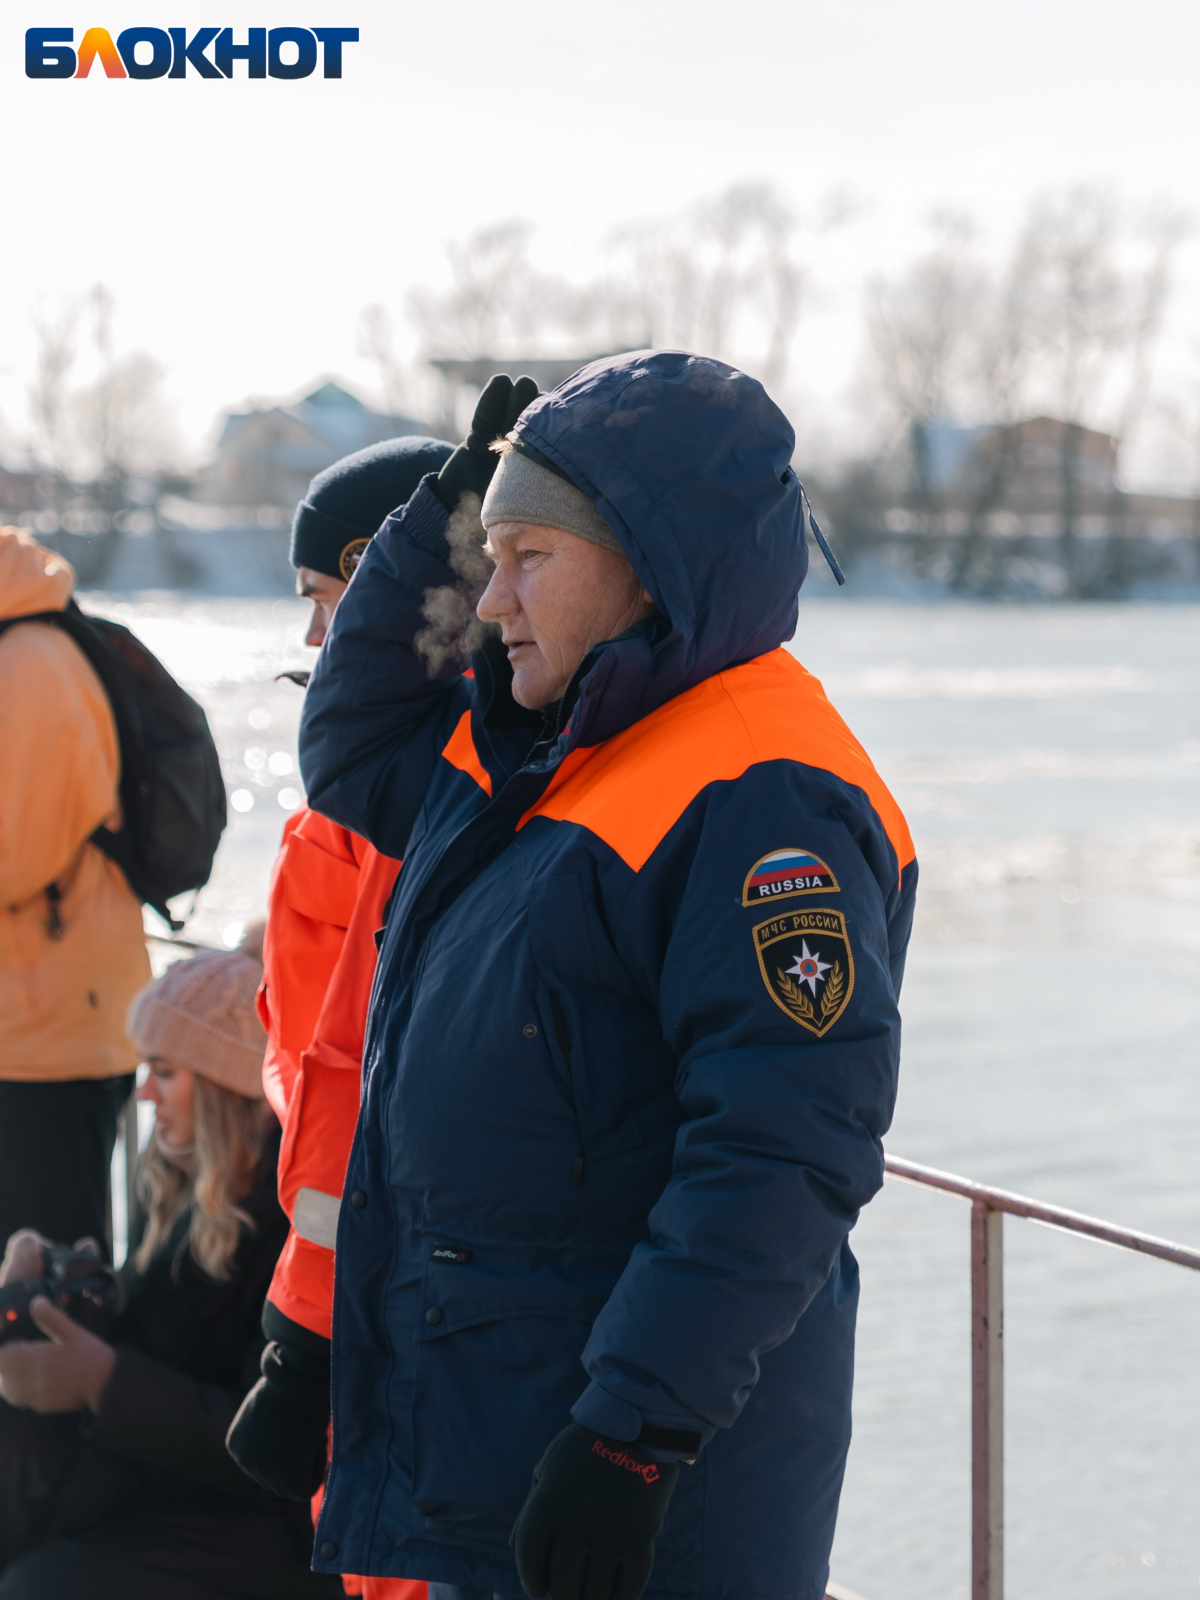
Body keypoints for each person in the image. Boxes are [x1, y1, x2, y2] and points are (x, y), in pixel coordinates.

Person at [298, 353, 917, 1600]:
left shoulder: (761, 793)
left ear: (649, 561)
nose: (491, 598)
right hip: (500, 1434)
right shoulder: (543, 747)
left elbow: (781, 1148)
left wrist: (635, 1431)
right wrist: (450, 513)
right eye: (490, 555)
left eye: (530, 557)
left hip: (638, 1489)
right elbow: (354, 746)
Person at [224, 438, 451, 1600]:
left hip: (396, 1298)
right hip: (385, 1291)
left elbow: (345, 1080)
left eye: (325, 600)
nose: (314, 637)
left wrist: (299, 1345)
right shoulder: (402, 780)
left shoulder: (394, 807)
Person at [0, 937, 343, 1600]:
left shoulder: (293, 1220)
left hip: (273, 1522)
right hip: (171, 1468)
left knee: (40, 1585)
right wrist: (76, 1300)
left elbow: (271, 1440)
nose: (143, 1092)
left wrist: (103, 1379)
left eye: (163, 1071)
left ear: (223, 1085)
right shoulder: (180, 1179)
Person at [0, 527, 150, 1255]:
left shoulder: (30, 664)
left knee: (52, 1287)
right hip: (34, 1026)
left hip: (51, 1038)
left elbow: (16, 858)